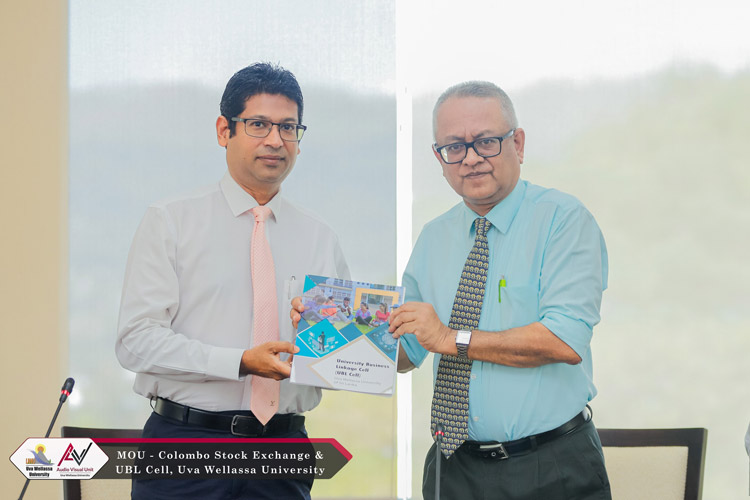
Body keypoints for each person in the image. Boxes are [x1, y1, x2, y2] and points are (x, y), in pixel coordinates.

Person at [115, 62, 349, 500]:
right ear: (225, 130)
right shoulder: (171, 221)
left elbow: (339, 352)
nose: (275, 140)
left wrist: (351, 342)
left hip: (282, 452)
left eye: (288, 127)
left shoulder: (321, 237)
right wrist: (240, 361)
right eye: (259, 124)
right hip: (185, 449)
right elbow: (136, 342)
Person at [388, 81, 611, 500]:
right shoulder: (434, 238)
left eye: (486, 142)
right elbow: (405, 351)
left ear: (518, 144)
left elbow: (564, 340)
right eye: (454, 147)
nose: (471, 159)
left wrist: (450, 339)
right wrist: (327, 337)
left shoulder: (563, 220)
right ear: (439, 157)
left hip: (550, 466)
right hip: (452, 468)